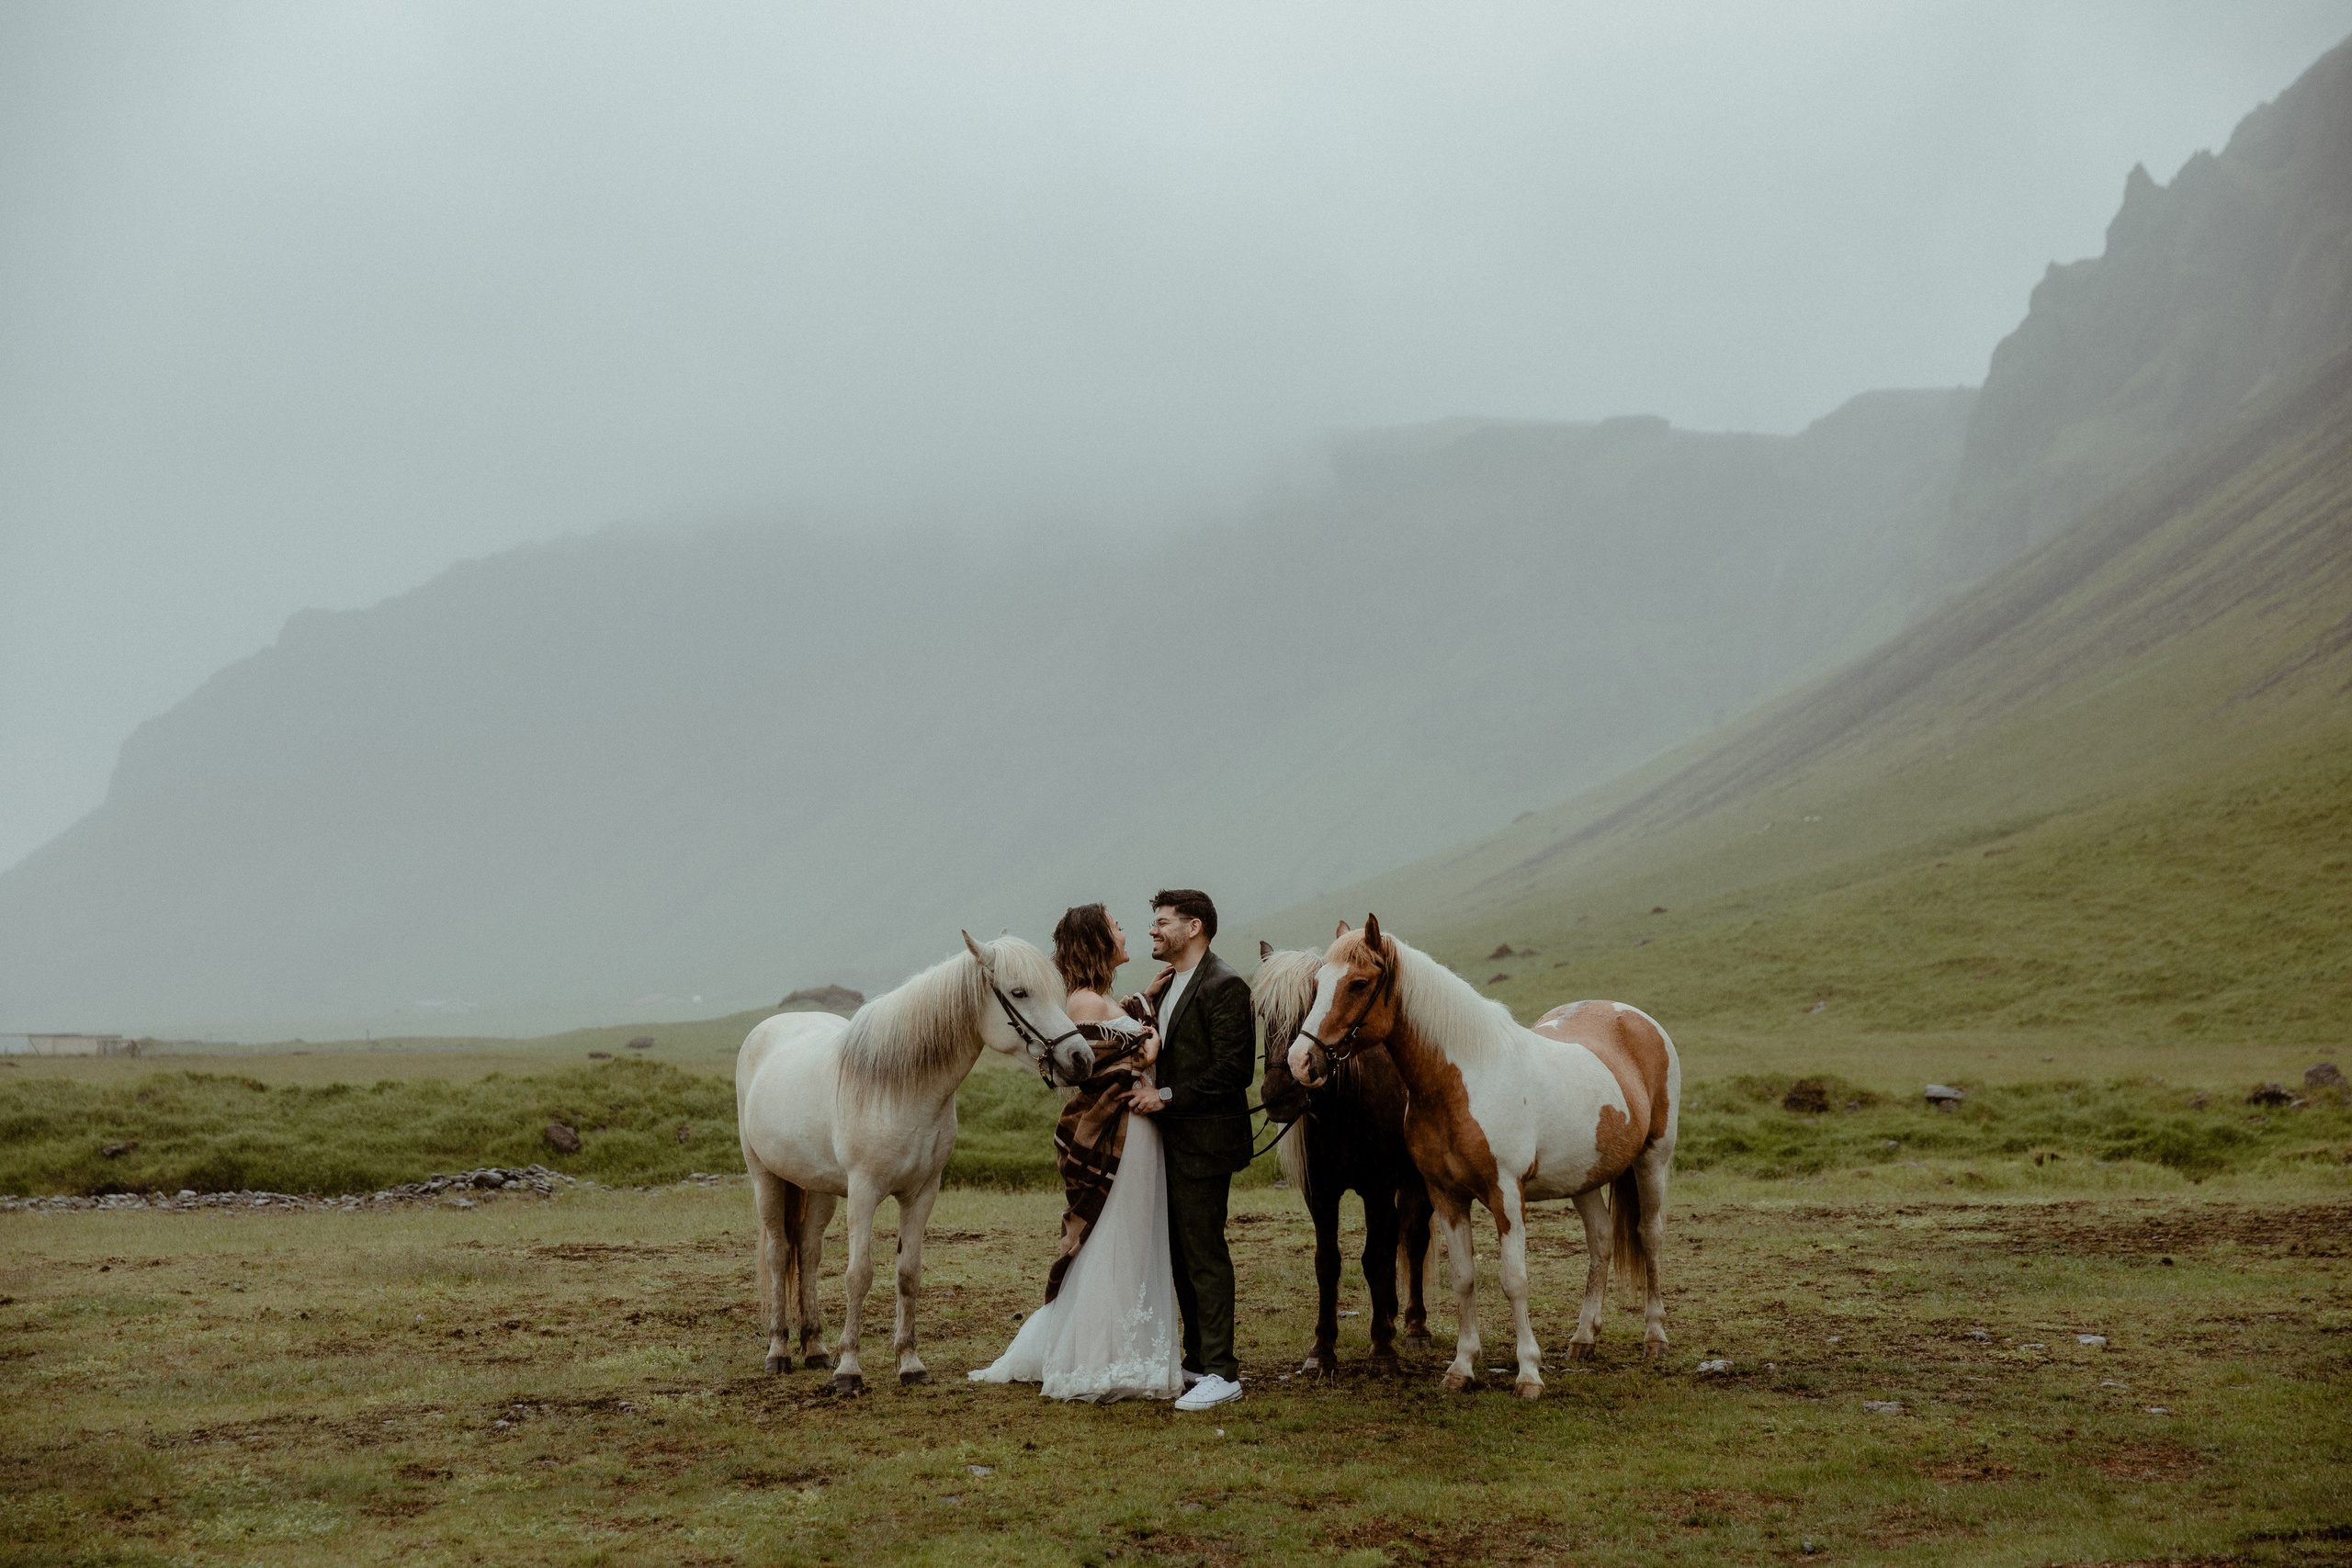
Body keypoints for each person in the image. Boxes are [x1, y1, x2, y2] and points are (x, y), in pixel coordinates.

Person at [967, 903, 1185, 1401]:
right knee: (1113, 1242)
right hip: (1120, 1135)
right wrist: (1145, 1049)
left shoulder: (1102, 998)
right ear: (1096, 942)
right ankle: (1097, 1360)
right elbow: (1090, 1068)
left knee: (1132, 1238)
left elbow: (1120, 1028)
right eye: (1116, 928)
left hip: (1138, 1134)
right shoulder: (1084, 1000)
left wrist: (1143, 1007)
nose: (1127, 933)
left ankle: (1126, 1350)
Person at [1125, 888, 1253, 1412]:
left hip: (1206, 1142)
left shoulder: (1225, 985)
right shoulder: (1174, 983)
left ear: (1194, 927)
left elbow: (1235, 1070)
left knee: (1203, 1252)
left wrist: (1167, 1095)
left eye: (1162, 921)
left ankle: (1224, 1372)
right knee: (1180, 1254)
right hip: (1173, 1143)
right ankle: (1197, 1361)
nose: (1152, 930)